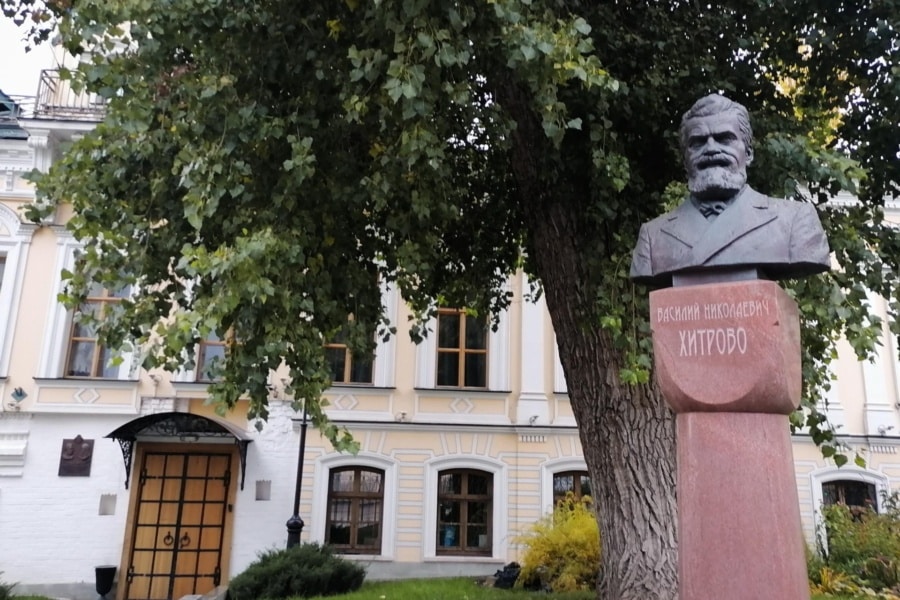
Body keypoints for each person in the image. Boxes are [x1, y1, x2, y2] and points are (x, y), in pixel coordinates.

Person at [629, 94, 830, 287]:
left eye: (724, 139)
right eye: (697, 142)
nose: (710, 149)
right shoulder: (652, 237)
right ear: (685, 160)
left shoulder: (795, 222)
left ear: (748, 153)